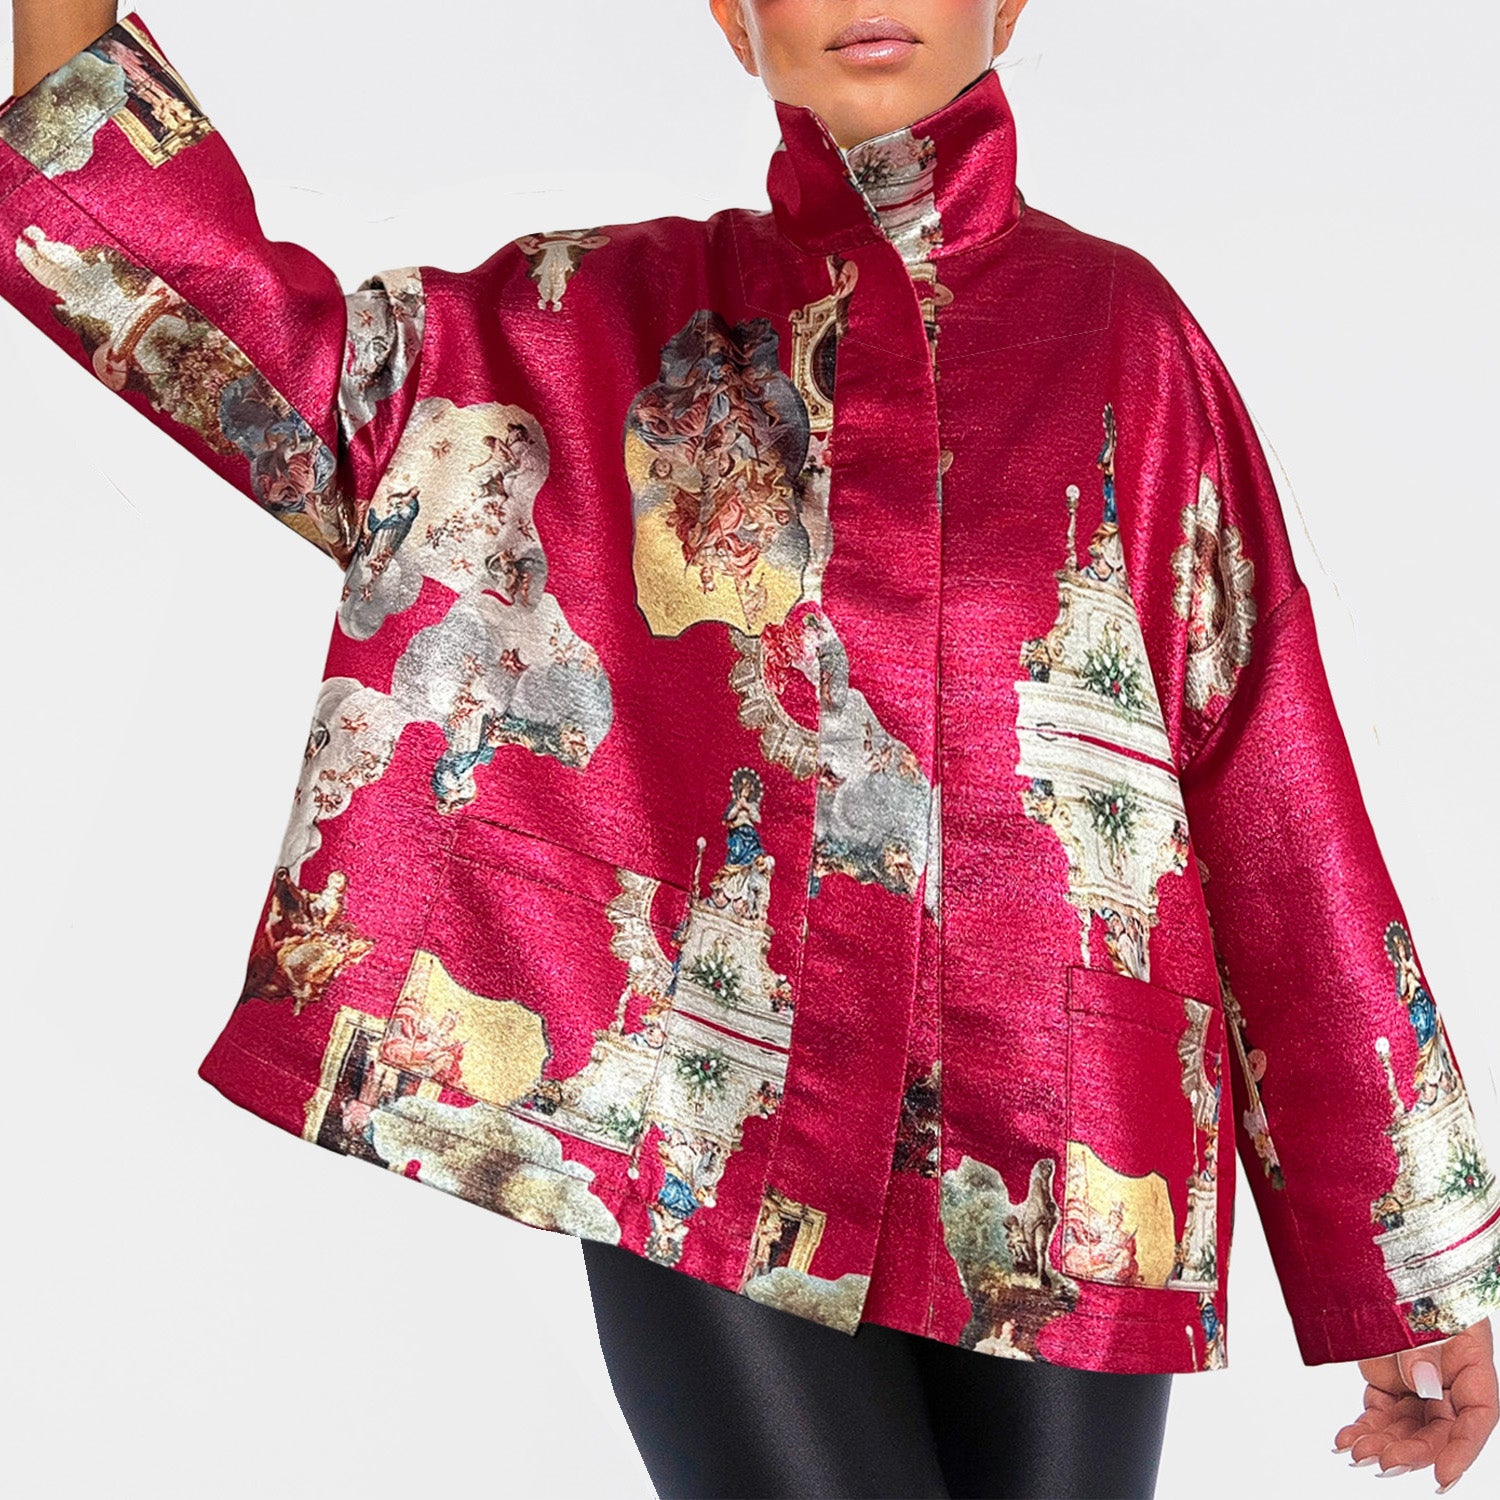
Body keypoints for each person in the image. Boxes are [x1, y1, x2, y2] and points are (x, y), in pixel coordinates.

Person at [4, 3, 1497, 1497]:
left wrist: (1411, 1267)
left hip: (1069, 1141)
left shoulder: (1128, 341)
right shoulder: (583, 325)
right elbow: (251, 352)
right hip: (697, 1123)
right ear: (735, 15)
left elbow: (1272, 792)